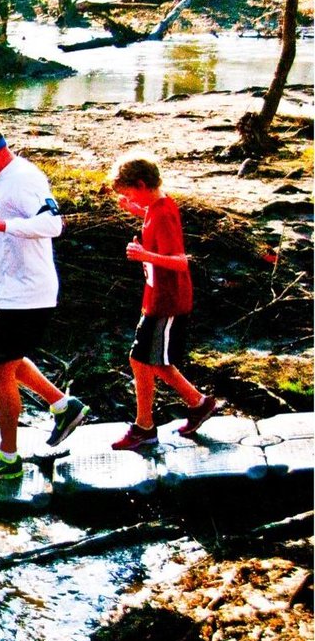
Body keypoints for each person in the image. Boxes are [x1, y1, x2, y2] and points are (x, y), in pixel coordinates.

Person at [0, 122, 89, 482]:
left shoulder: (23, 178)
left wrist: (1, 224)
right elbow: (3, 234)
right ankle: (63, 405)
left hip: (28, 294)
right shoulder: (3, 180)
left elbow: (53, 225)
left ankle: (7, 459)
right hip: (9, 293)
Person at [109, 153, 218, 449]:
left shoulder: (164, 213)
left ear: (142, 184)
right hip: (155, 298)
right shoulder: (154, 207)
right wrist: (135, 209)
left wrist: (145, 255)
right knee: (147, 360)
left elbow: (181, 262)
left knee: (149, 360)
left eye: (130, 193)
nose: (129, 198)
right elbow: (152, 221)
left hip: (168, 301)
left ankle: (148, 425)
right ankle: (195, 405)